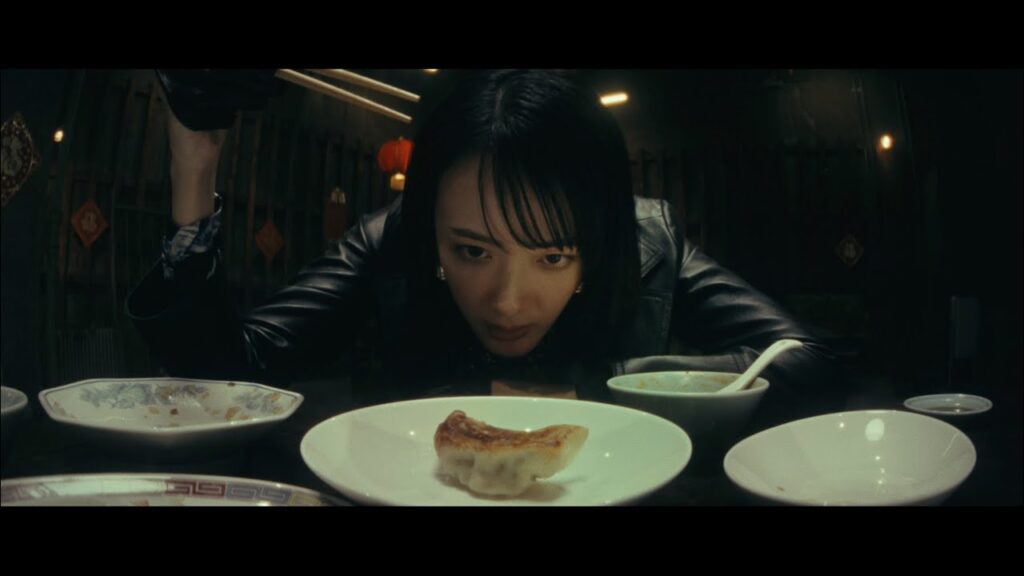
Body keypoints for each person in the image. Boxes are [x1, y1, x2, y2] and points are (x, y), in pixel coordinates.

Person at [126, 69, 843, 423]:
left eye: (552, 257)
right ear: (431, 225)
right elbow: (225, 374)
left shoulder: (648, 239)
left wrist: (606, 385)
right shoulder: (392, 239)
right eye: (471, 252)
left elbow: (810, 359)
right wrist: (196, 153)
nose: (506, 302)